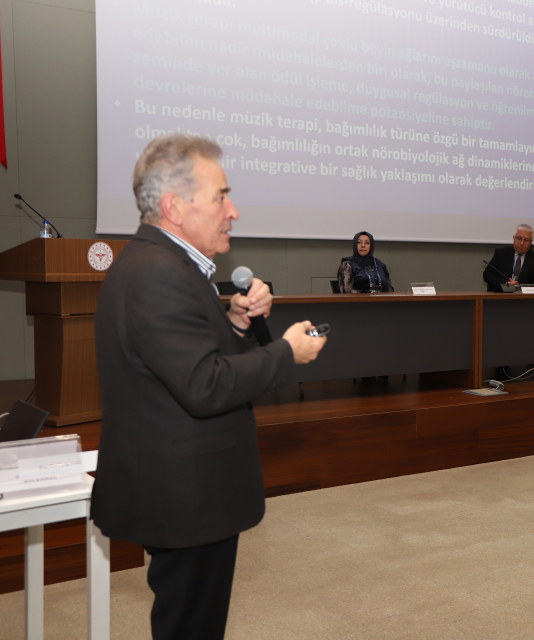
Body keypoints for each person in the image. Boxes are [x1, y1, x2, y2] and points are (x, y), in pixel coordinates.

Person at [92, 134, 327, 640]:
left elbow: (185, 365)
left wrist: (236, 326)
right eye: (221, 196)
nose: (233, 211)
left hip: (188, 491)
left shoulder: (163, 266)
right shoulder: (159, 273)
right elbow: (204, 385)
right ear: (175, 207)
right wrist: (287, 352)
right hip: (186, 497)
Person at [482, 223, 534, 291]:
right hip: (500, 294)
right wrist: (505, 284)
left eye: (526, 240)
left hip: (523, 296)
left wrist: (521, 287)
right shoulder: (501, 253)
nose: (522, 243)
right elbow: (487, 274)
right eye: (519, 238)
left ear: (531, 242)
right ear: (514, 238)